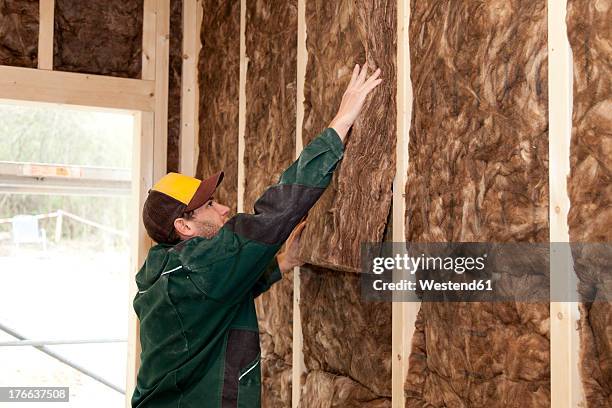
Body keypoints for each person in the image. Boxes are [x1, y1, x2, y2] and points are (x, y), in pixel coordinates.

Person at [131, 64, 382, 408]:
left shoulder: (165, 269)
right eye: (209, 205)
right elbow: (273, 215)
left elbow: (223, 292)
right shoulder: (198, 268)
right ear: (184, 227)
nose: (222, 209)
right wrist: (341, 123)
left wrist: (282, 262)